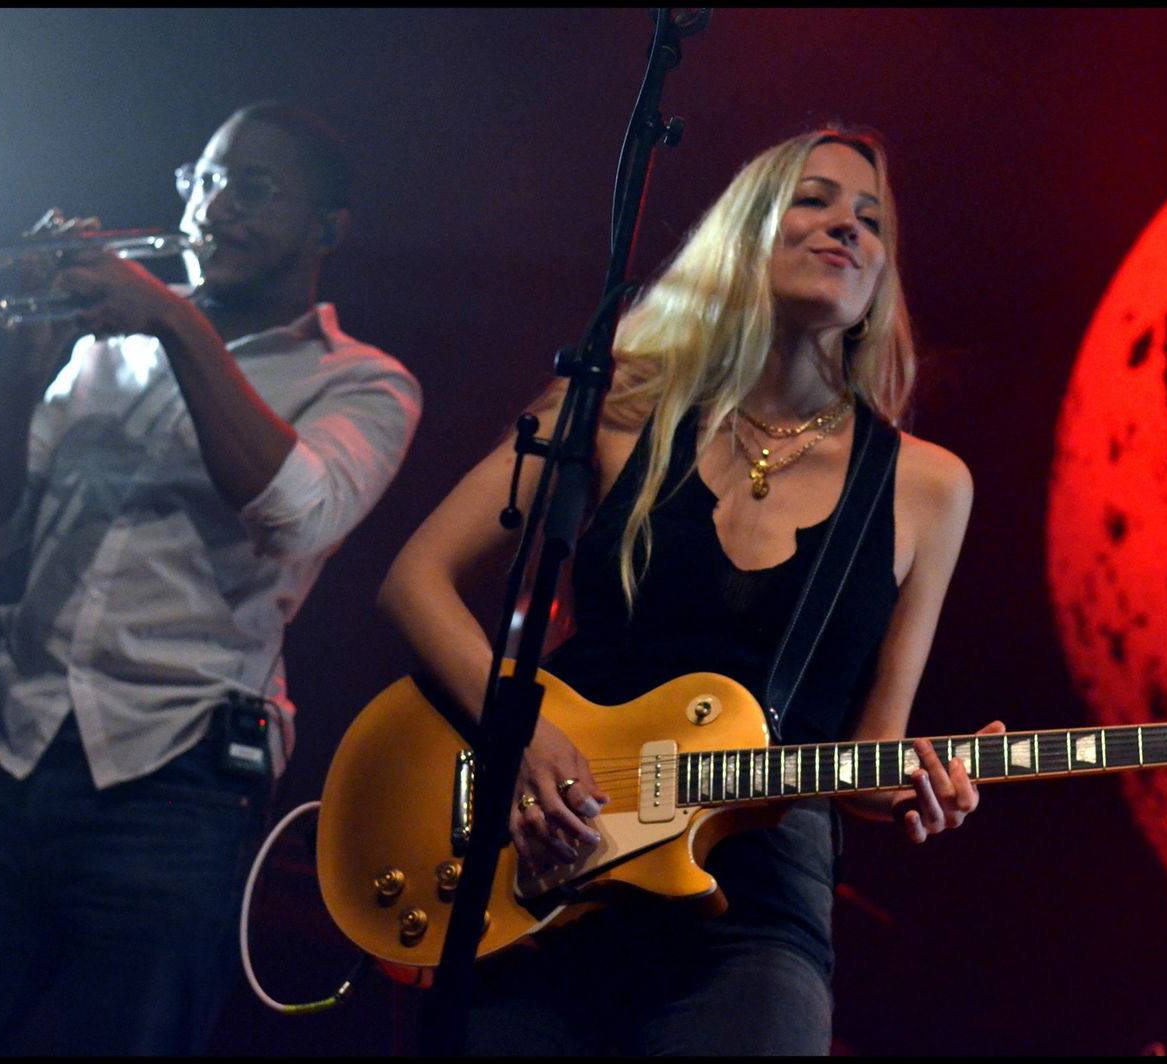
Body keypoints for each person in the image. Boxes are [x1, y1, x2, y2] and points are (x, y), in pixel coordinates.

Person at [377, 126, 1003, 1055]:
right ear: (743, 235)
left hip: (754, 911)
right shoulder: (618, 410)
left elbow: (873, 751)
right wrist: (520, 731)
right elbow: (415, 579)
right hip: (546, 857)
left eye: (872, 221)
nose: (849, 228)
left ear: (881, 280)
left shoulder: (928, 484)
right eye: (815, 200)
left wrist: (919, 788)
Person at [0, 101, 421, 1055]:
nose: (215, 206)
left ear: (326, 231)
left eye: (253, 188)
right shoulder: (102, 353)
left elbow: (297, 515)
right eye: (205, 179)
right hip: (4, 756)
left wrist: (168, 317)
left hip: (176, 789)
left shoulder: (365, 382)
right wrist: (24, 367)